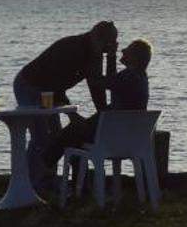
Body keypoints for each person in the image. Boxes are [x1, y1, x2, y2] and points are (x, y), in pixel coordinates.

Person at [14, 20, 117, 184]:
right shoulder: (71, 48)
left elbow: (96, 86)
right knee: (41, 137)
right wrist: (72, 115)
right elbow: (55, 82)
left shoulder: (96, 54)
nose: (107, 50)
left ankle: (46, 179)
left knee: (56, 136)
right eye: (107, 45)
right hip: (30, 85)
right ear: (97, 38)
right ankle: (28, 183)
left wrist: (102, 115)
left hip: (51, 90)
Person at [54, 37, 152, 159]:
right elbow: (112, 81)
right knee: (75, 135)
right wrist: (111, 56)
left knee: (71, 132)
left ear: (135, 58)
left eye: (128, 49)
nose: (123, 50)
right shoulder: (140, 77)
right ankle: (74, 174)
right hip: (125, 136)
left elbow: (101, 82)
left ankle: (44, 168)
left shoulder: (128, 76)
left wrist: (94, 60)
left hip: (111, 135)